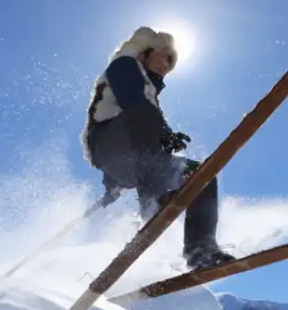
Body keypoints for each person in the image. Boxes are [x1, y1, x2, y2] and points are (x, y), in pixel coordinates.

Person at [81, 26, 235, 270]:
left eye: (171, 62)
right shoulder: (125, 65)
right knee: (145, 117)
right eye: (163, 56)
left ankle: (200, 251)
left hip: (132, 162)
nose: (166, 65)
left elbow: (144, 118)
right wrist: (161, 135)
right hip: (109, 145)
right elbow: (133, 107)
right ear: (145, 53)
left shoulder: (149, 93)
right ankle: (152, 197)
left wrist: (167, 137)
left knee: (202, 176)